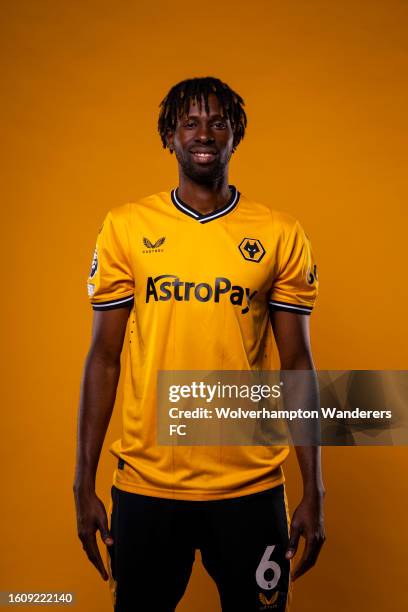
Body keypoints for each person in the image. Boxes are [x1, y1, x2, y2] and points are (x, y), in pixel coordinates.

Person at [73, 76, 326, 612]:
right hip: (145, 489)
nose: (204, 133)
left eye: (217, 121)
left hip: (252, 490)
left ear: (236, 134)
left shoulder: (279, 232)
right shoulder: (125, 227)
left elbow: (296, 363)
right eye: (190, 122)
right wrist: (83, 481)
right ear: (170, 136)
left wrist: (314, 489)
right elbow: (103, 358)